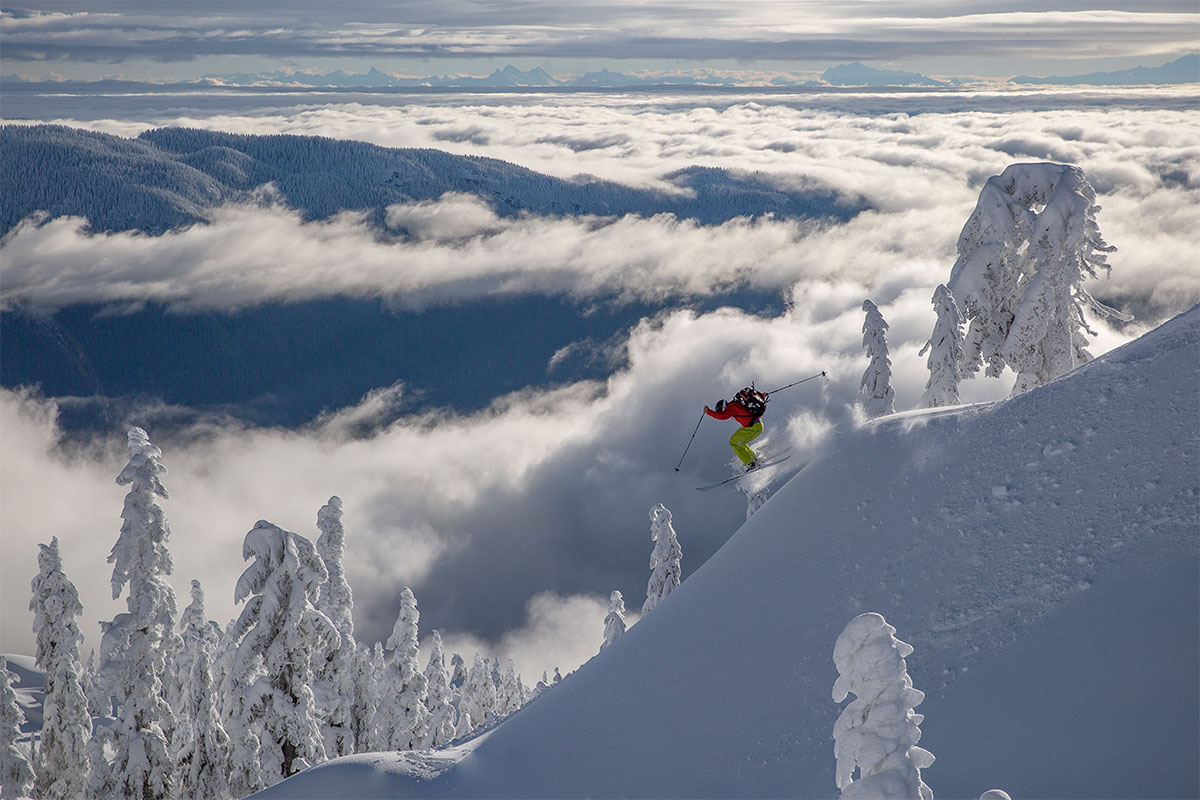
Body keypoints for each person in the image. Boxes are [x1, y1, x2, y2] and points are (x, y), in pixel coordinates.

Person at [704, 386, 769, 470]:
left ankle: (751, 463)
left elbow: (722, 416)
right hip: (755, 425)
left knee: (734, 442)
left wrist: (708, 412)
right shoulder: (735, 403)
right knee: (737, 441)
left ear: (722, 408)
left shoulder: (730, 408)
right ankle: (754, 459)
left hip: (754, 427)